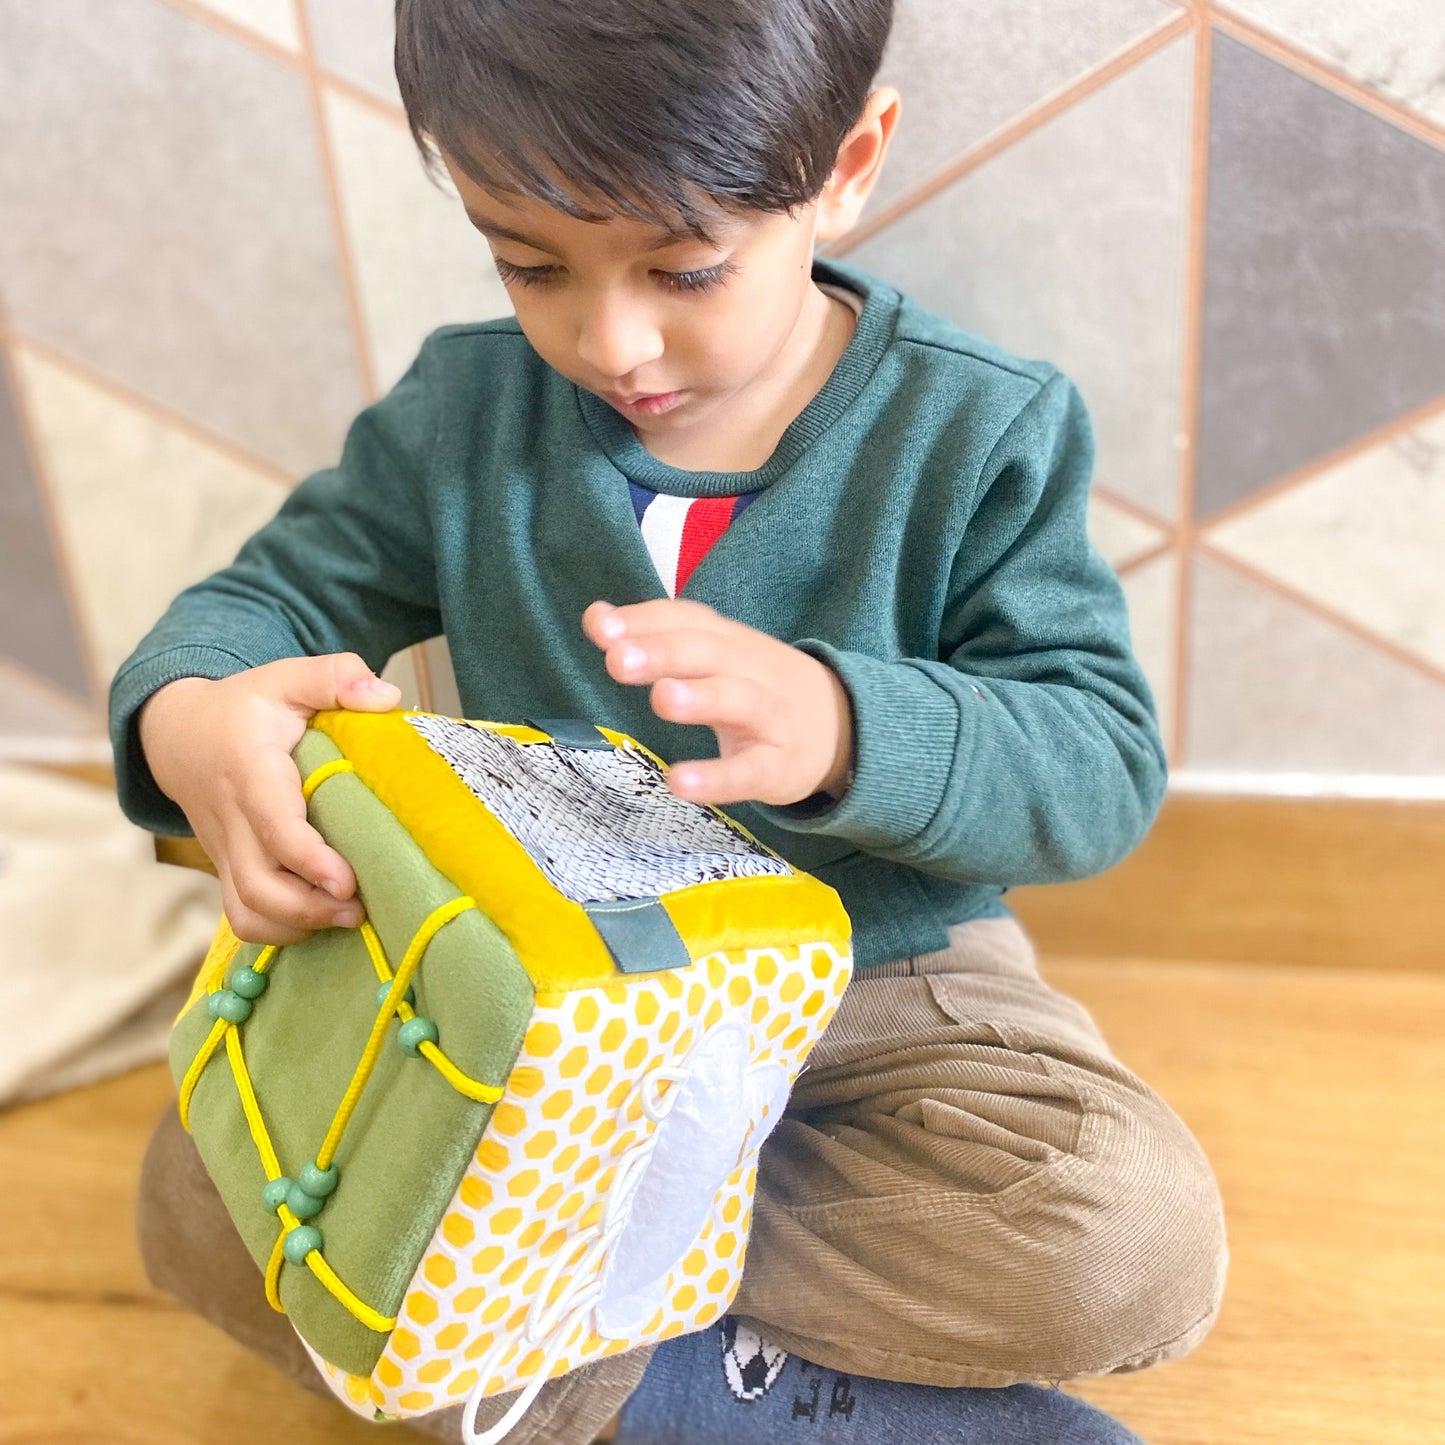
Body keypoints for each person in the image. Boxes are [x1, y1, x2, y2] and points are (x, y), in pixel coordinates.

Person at [110, 2, 1228, 1441]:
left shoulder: (979, 431)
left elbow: (1097, 763)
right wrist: (191, 720)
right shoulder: (466, 413)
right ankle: (739, 1393)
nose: (611, 335)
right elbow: (261, 604)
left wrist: (845, 725)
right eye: (530, 263)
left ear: (846, 163)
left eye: (684, 266)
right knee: (194, 1202)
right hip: (550, 1012)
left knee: (1123, 1234)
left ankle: (594, 1374)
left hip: (874, 982)